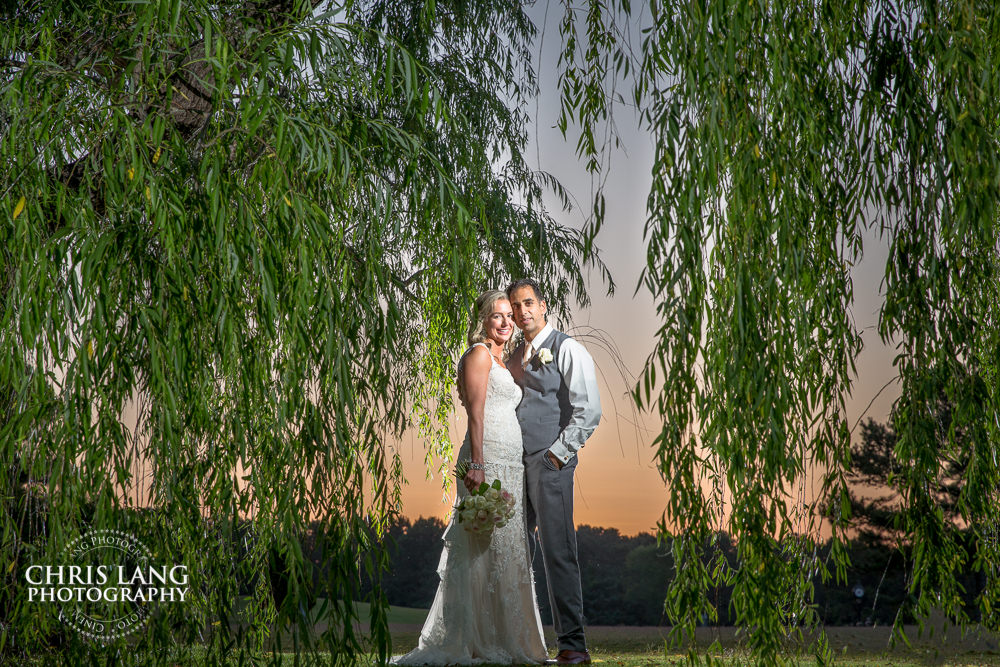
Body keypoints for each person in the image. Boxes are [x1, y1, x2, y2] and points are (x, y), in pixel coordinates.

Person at [393, 290, 548, 666]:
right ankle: (474, 637)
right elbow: (475, 414)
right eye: (497, 316)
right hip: (487, 458)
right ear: (484, 320)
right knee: (480, 547)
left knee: (508, 547)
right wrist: (477, 464)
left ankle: (509, 636)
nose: (506, 322)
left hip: (512, 463)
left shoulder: (503, 358)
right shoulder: (478, 355)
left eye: (509, 315)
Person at [506, 279, 601, 666]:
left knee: (557, 551)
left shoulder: (567, 348)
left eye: (528, 303)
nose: (522, 311)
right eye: (515, 306)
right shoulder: (515, 353)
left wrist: (558, 456)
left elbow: (588, 410)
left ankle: (573, 645)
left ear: (543, 306)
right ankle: (514, 638)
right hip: (514, 463)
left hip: (549, 462)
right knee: (512, 550)